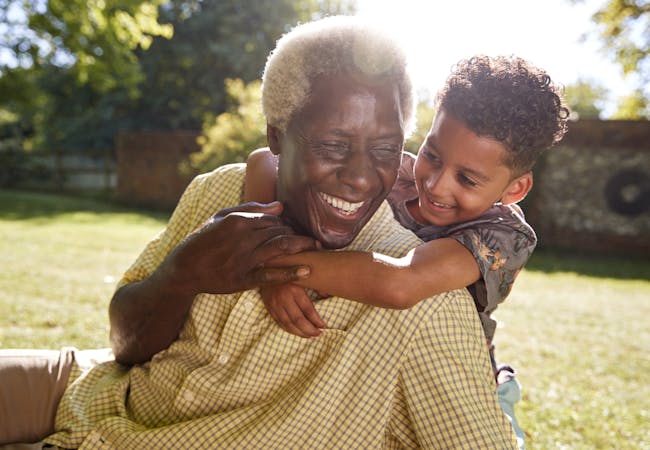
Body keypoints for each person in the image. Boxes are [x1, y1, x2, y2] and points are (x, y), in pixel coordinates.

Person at [0, 16, 517, 449]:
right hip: (99, 393)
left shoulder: (424, 304)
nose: (362, 176)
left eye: (385, 150)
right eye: (334, 146)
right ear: (276, 137)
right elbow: (125, 346)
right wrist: (182, 275)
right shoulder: (219, 192)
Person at [244, 55, 570, 345]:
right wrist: (269, 247)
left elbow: (401, 283)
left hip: (449, 374)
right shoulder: (395, 172)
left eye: (467, 179)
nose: (436, 184)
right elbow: (265, 160)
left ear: (515, 190)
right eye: (432, 155)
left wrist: (273, 269)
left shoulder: (503, 236)